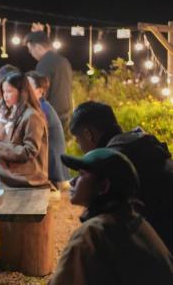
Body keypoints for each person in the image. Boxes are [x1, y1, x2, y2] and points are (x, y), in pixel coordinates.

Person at [50, 148, 173, 285]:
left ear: (103, 187)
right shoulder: (138, 223)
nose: (73, 181)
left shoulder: (92, 234)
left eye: (81, 174)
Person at [69, 101, 173, 253]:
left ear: (88, 134)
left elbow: (98, 224)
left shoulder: (114, 162)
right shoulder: (138, 142)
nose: (81, 148)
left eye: (79, 141)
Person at [0, 72, 49, 187]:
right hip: (17, 170)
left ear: (22, 92)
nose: (5, 96)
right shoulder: (18, 111)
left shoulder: (31, 116)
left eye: (9, 91)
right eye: (4, 91)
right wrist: (1, 138)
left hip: (28, 176)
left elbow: (29, 151)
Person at [26, 71, 70, 189]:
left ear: (40, 91)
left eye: (28, 86)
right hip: (48, 166)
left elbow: (30, 140)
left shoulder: (42, 109)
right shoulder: (39, 106)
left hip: (52, 173)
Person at [24, 31, 73, 132]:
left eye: (30, 50)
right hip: (66, 114)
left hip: (51, 117)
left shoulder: (44, 64)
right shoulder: (64, 61)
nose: (31, 54)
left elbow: (40, 93)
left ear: (38, 47)